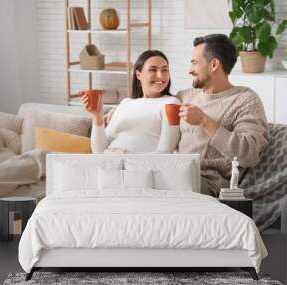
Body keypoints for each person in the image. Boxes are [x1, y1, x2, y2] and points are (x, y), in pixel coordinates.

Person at [105, 34, 269, 197]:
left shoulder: (245, 100)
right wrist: (118, 112)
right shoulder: (185, 96)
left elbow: (249, 154)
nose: (190, 70)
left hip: (204, 181)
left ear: (213, 65)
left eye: (195, 63)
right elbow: (153, 104)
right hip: (173, 170)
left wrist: (204, 121)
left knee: (137, 182)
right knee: (118, 176)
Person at [83, 50, 180, 154]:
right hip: (108, 162)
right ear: (138, 75)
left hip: (137, 166)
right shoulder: (125, 103)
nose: (160, 75)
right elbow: (99, 151)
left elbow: (165, 152)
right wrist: (97, 115)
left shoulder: (171, 104)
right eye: (153, 70)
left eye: (165, 70)